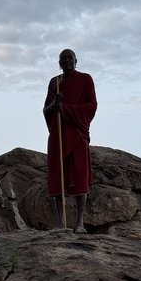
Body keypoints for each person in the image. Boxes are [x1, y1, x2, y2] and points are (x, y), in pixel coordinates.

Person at [43, 49, 97, 233]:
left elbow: (91, 106)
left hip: (77, 134)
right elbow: (45, 110)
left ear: (76, 60)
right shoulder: (54, 83)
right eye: (62, 58)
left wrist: (65, 107)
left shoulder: (85, 79)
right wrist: (54, 105)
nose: (66, 61)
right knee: (58, 174)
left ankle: (80, 223)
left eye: (69, 58)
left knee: (80, 174)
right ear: (59, 62)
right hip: (58, 133)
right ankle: (60, 222)